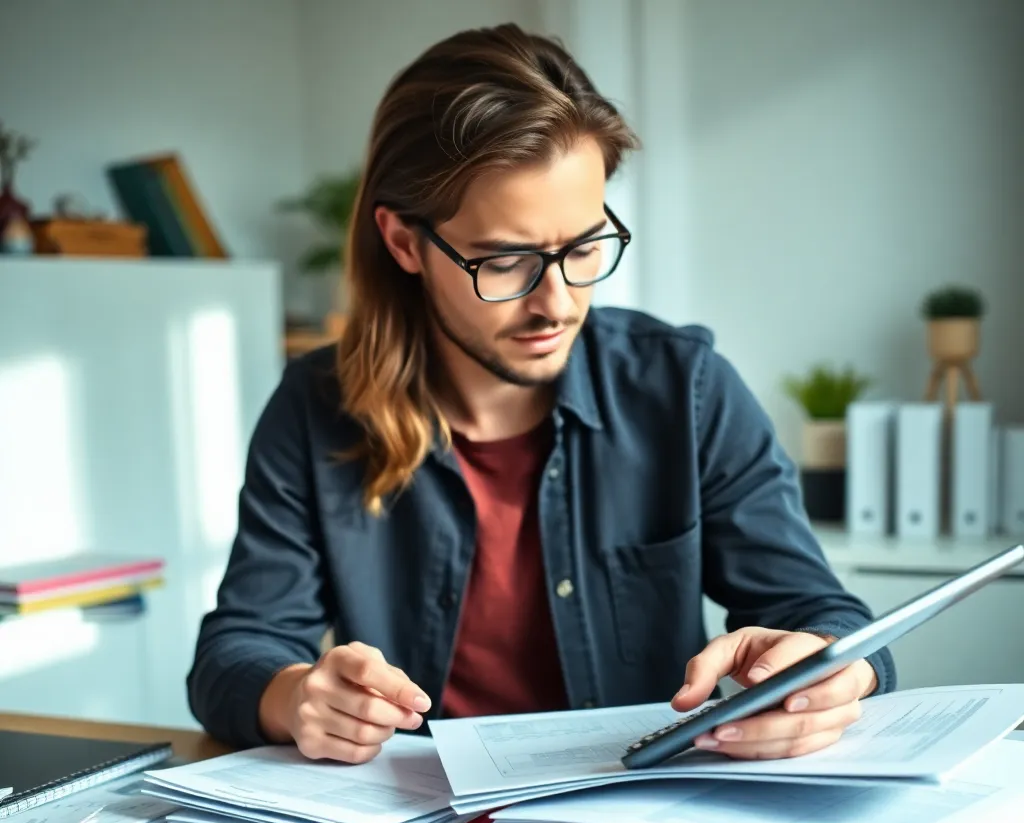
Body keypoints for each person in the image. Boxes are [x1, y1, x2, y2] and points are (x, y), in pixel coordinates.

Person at [187, 23, 894, 764]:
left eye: (584, 247)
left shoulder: (684, 387)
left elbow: (825, 617)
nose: (555, 303)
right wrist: (297, 697)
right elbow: (236, 653)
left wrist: (826, 670)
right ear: (403, 243)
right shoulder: (315, 406)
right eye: (506, 261)